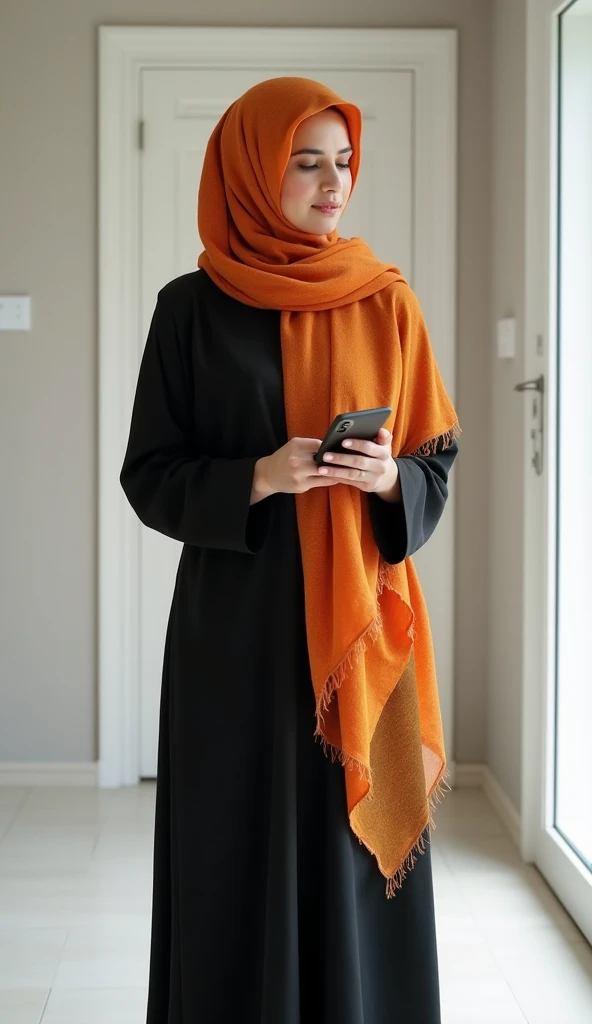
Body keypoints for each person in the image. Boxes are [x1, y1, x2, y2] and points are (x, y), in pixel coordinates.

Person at [120, 76, 460, 1024]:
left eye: (343, 162)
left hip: (364, 637)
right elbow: (150, 475)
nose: (331, 184)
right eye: (305, 163)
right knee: (236, 845)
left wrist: (388, 478)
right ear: (248, 173)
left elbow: (437, 462)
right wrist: (261, 476)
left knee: (358, 862)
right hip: (237, 633)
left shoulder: (387, 301)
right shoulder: (190, 310)